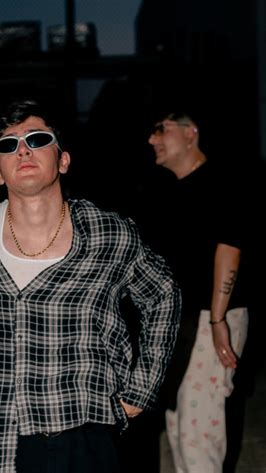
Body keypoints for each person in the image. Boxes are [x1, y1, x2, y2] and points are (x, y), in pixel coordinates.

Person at [0, 99, 181, 473]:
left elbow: (162, 294)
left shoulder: (107, 234)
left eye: (37, 139)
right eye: (8, 145)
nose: (23, 150)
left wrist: (141, 390)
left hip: (84, 433)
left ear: (63, 160)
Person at [137, 112, 250, 473]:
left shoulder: (221, 181)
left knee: (198, 432)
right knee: (177, 426)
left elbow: (230, 248)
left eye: (161, 129)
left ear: (191, 133)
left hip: (210, 318)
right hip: (180, 322)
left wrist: (217, 319)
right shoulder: (170, 190)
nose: (152, 139)